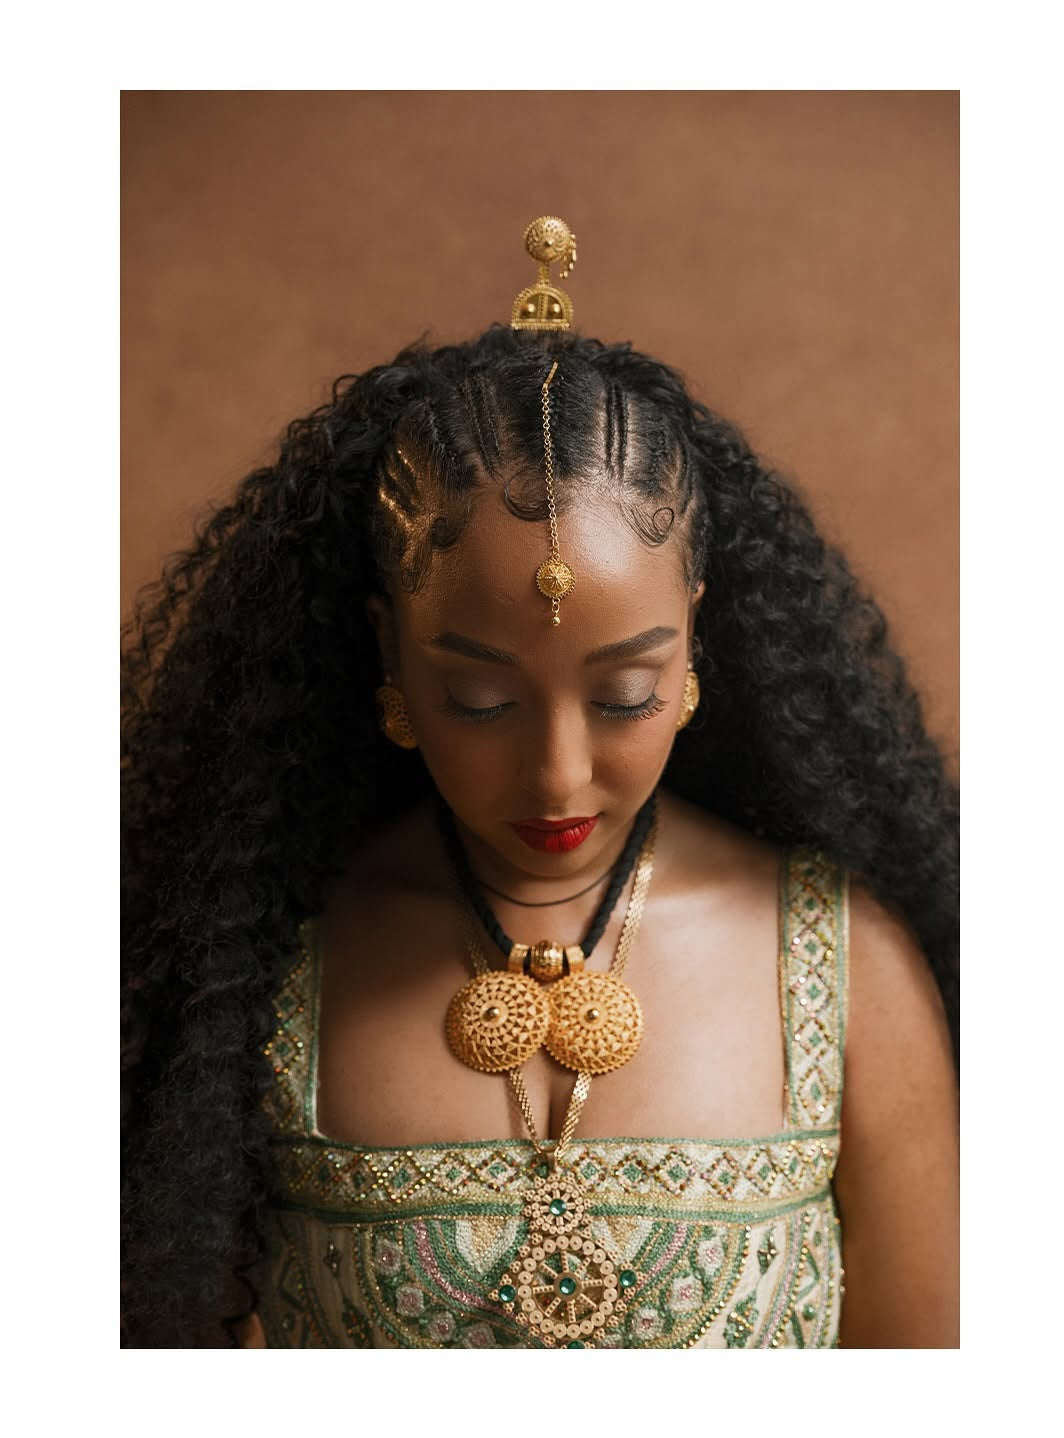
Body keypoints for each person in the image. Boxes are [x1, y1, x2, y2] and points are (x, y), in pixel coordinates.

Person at [121, 217, 959, 1349]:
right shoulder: (258, 972)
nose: (559, 773)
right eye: (481, 701)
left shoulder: (846, 963)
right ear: (389, 658)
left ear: (697, 647)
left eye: (624, 696)